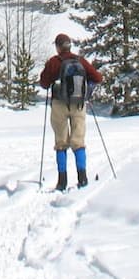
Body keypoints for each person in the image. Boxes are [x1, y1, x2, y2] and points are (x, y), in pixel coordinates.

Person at [38, 33, 104, 190]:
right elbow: (98, 77)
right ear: (69, 46)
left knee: (61, 142)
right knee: (78, 141)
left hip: (59, 104)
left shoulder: (54, 62)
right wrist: (87, 91)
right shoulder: (80, 60)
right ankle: (82, 178)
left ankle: (62, 181)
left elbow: (44, 83)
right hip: (78, 104)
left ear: (58, 47)